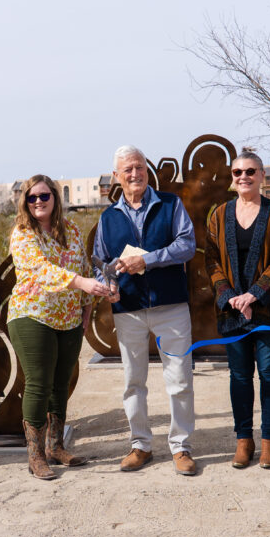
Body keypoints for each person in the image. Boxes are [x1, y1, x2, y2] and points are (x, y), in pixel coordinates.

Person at [92, 145, 198, 475]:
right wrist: (107, 284)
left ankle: (181, 447)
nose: (135, 174)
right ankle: (141, 445)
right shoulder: (107, 218)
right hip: (129, 309)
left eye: (139, 167)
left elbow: (187, 245)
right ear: (116, 177)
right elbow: (101, 264)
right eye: (128, 170)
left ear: (146, 170)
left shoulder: (171, 204)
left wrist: (147, 259)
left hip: (171, 306)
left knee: (180, 379)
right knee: (132, 381)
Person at [7, 175, 112, 480]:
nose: (38, 202)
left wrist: (87, 307)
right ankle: (35, 455)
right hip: (32, 314)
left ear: (55, 197)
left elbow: (82, 266)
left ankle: (56, 446)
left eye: (44, 196)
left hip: (69, 317)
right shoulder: (22, 233)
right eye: (32, 198)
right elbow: (42, 270)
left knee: (61, 383)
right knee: (39, 382)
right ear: (24, 202)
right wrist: (82, 284)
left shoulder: (72, 230)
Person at [205, 149, 270, 469]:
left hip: (269, 310)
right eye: (237, 172)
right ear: (232, 178)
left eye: (250, 171)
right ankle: (243, 439)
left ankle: (269, 439)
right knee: (240, 376)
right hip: (233, 310)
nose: (243, 177)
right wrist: (230, 295)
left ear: (262, 176)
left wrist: (255, 294)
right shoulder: (219, 215)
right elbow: (212, 260)